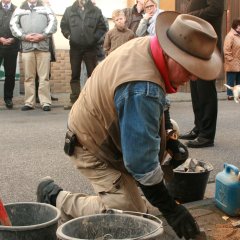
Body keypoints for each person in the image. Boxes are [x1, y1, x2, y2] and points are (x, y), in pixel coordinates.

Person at [37, 11, 222, 239]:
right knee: (132, 214)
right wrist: (171, 210)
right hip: (90, 144)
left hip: (106, 126)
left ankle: (130, 187)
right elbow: (141, 163)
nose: (193, 77)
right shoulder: (142, 88)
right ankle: (56, 197)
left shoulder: (150, 48)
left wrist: (170, 140)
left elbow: (159, 101)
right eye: (189, 68)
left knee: (169, 125)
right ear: (171, 54)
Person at [179, 0, 224, 148]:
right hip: (197, 46)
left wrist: (190, 16)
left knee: (206, 93)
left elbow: (216, 9)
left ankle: (206, 135)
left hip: (207, 47)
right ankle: (199, 129)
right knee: (197, 93)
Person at [10, 0, 57, 111]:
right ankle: (29, 102)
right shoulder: (20, 9)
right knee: (28, 77)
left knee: (44, 77)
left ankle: (45, 102)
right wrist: (24, 36)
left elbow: (53, 23)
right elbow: (13, 25)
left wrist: (43, 35)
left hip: (43, 47)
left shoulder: (46, 8)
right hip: (27, 48)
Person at [60, 0, 107, 110]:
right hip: (75, 48)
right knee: (75, 74)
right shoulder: (69, 10)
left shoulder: (96, 11)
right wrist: (69, 36)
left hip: (90, 48)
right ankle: (75, 100)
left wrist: (94, 38)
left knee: (92, 75)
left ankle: (92, 101)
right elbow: (63, 25)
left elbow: (102, 28)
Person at [0, 0, 19, 109]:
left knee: (10, 75)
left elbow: (20, 26)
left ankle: (8, 99)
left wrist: (14, 38)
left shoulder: (17, 10)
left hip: (12, 47)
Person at [223, 18, 240, 100]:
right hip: (232, 62)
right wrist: (231, 60)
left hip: (238, 62)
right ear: (236, 26)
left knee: (239, 80)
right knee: (231, 79)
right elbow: (226, 49)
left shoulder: (238, 35)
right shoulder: (230, 36)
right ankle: (230, 95)